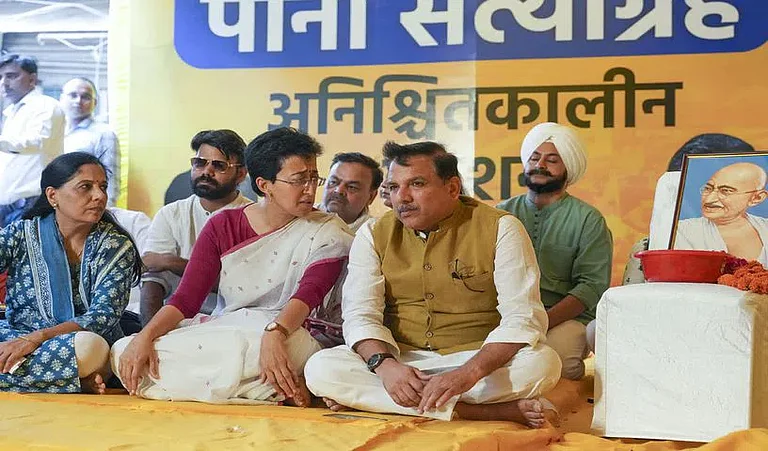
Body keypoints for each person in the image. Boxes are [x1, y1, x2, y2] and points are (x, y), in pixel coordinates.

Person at [305, 141, 561, 428]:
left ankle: (386, 402)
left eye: (416, 184)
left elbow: (523, 318)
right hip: (404, 360)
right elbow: (360, 315)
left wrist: (466, 374)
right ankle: (475, 411)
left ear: (452, 188)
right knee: (322, 369)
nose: (402, 198)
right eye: (393, 187)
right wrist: (386, 367)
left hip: (475, 359)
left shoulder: (501, 227)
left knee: (542, 364)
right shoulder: (374, 234)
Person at [111, 127, 353, 406]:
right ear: (265, 185)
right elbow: (186, 300)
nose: (311, 189)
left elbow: (309, 294)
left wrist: (275, 333)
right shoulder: (222, 225)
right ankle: (267, 391)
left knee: (258, 351)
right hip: (230, 326)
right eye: (299, 180)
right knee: (122, 351)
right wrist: (145, 336)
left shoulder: (327, 230)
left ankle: (252, 387)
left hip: (293, 330)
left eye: (314, 178)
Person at [0, 152, 141, 393]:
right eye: (85, 187)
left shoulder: (115, 246)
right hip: (16, 336)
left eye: (102, 187)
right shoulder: (20, 234)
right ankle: (72, 382)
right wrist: (23, 339)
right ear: (53, 195)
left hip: (76, 343)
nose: (99, 196)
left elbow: (102, 317)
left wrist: (37, 338)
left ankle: (51, 379)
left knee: (90, 348)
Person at [497, 123, 612, 380]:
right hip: (509, 317)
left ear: (568, 168)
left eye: (552, 160)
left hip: (562, 319)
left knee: (550, 365)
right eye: (534, 158)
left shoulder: (588, 219)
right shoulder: (501, 213)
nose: (541, 165)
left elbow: (590, 287)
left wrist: (540, 321)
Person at [139, 130, 251, 325]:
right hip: (175, 320)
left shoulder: (253, 217)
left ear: (241, 174)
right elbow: (153, 275)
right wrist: (148, 333)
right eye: (200, 163)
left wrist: (172, 262)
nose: (207, 171)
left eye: (219, 165)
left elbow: (241, 286)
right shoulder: (171, 214)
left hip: (232, 321)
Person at [0, 54, 65, 227]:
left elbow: (37, 142)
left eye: (11, 76)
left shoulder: (45, 106)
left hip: (33, 202)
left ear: (32, 79)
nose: (4, 83)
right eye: (0, 77)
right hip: (7, 204)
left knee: (26, 253)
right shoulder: (11, 111)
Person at [674, 162, 768, 264]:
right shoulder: (680, 231)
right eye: (708, 189)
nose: (709, 199)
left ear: (756, 198)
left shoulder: (765, 227)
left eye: (726, 191)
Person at [60, 77, 121, 206]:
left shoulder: (103, 133)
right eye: (73, 95)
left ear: (95, 103)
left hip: (85, 207)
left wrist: (104, 215)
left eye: (85, 97)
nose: (78, 101)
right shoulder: (55, 131)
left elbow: (111, 180)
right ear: (62, 98)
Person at [319, 152, 383, 233]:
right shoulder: (303, 216)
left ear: (371, 197)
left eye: (352, 187)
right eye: (333, 182)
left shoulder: (376, 235)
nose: (338, 191)